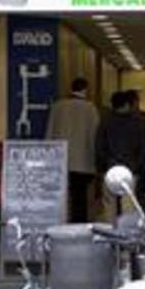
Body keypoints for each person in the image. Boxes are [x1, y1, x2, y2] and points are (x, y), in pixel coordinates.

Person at [46, 77, 99, 223]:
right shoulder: (90, 108)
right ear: (85, 89)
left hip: (60, 159)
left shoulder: (57, 106)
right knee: (79, 197)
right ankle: (78, 223)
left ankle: (59, 221)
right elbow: (94, 135)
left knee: (60, 195)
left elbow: (50, 133)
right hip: (83, 161)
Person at [95, 91, 145, 211]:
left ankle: (111, 228)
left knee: (109, 205)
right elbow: (143, 147)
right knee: (129, 205)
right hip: (131, 168)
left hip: (110, 169)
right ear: (127, 104)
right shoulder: (137, 122)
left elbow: (99, 146)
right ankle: (126, 229)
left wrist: (104, 165)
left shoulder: (105, 121)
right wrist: (138, 166)